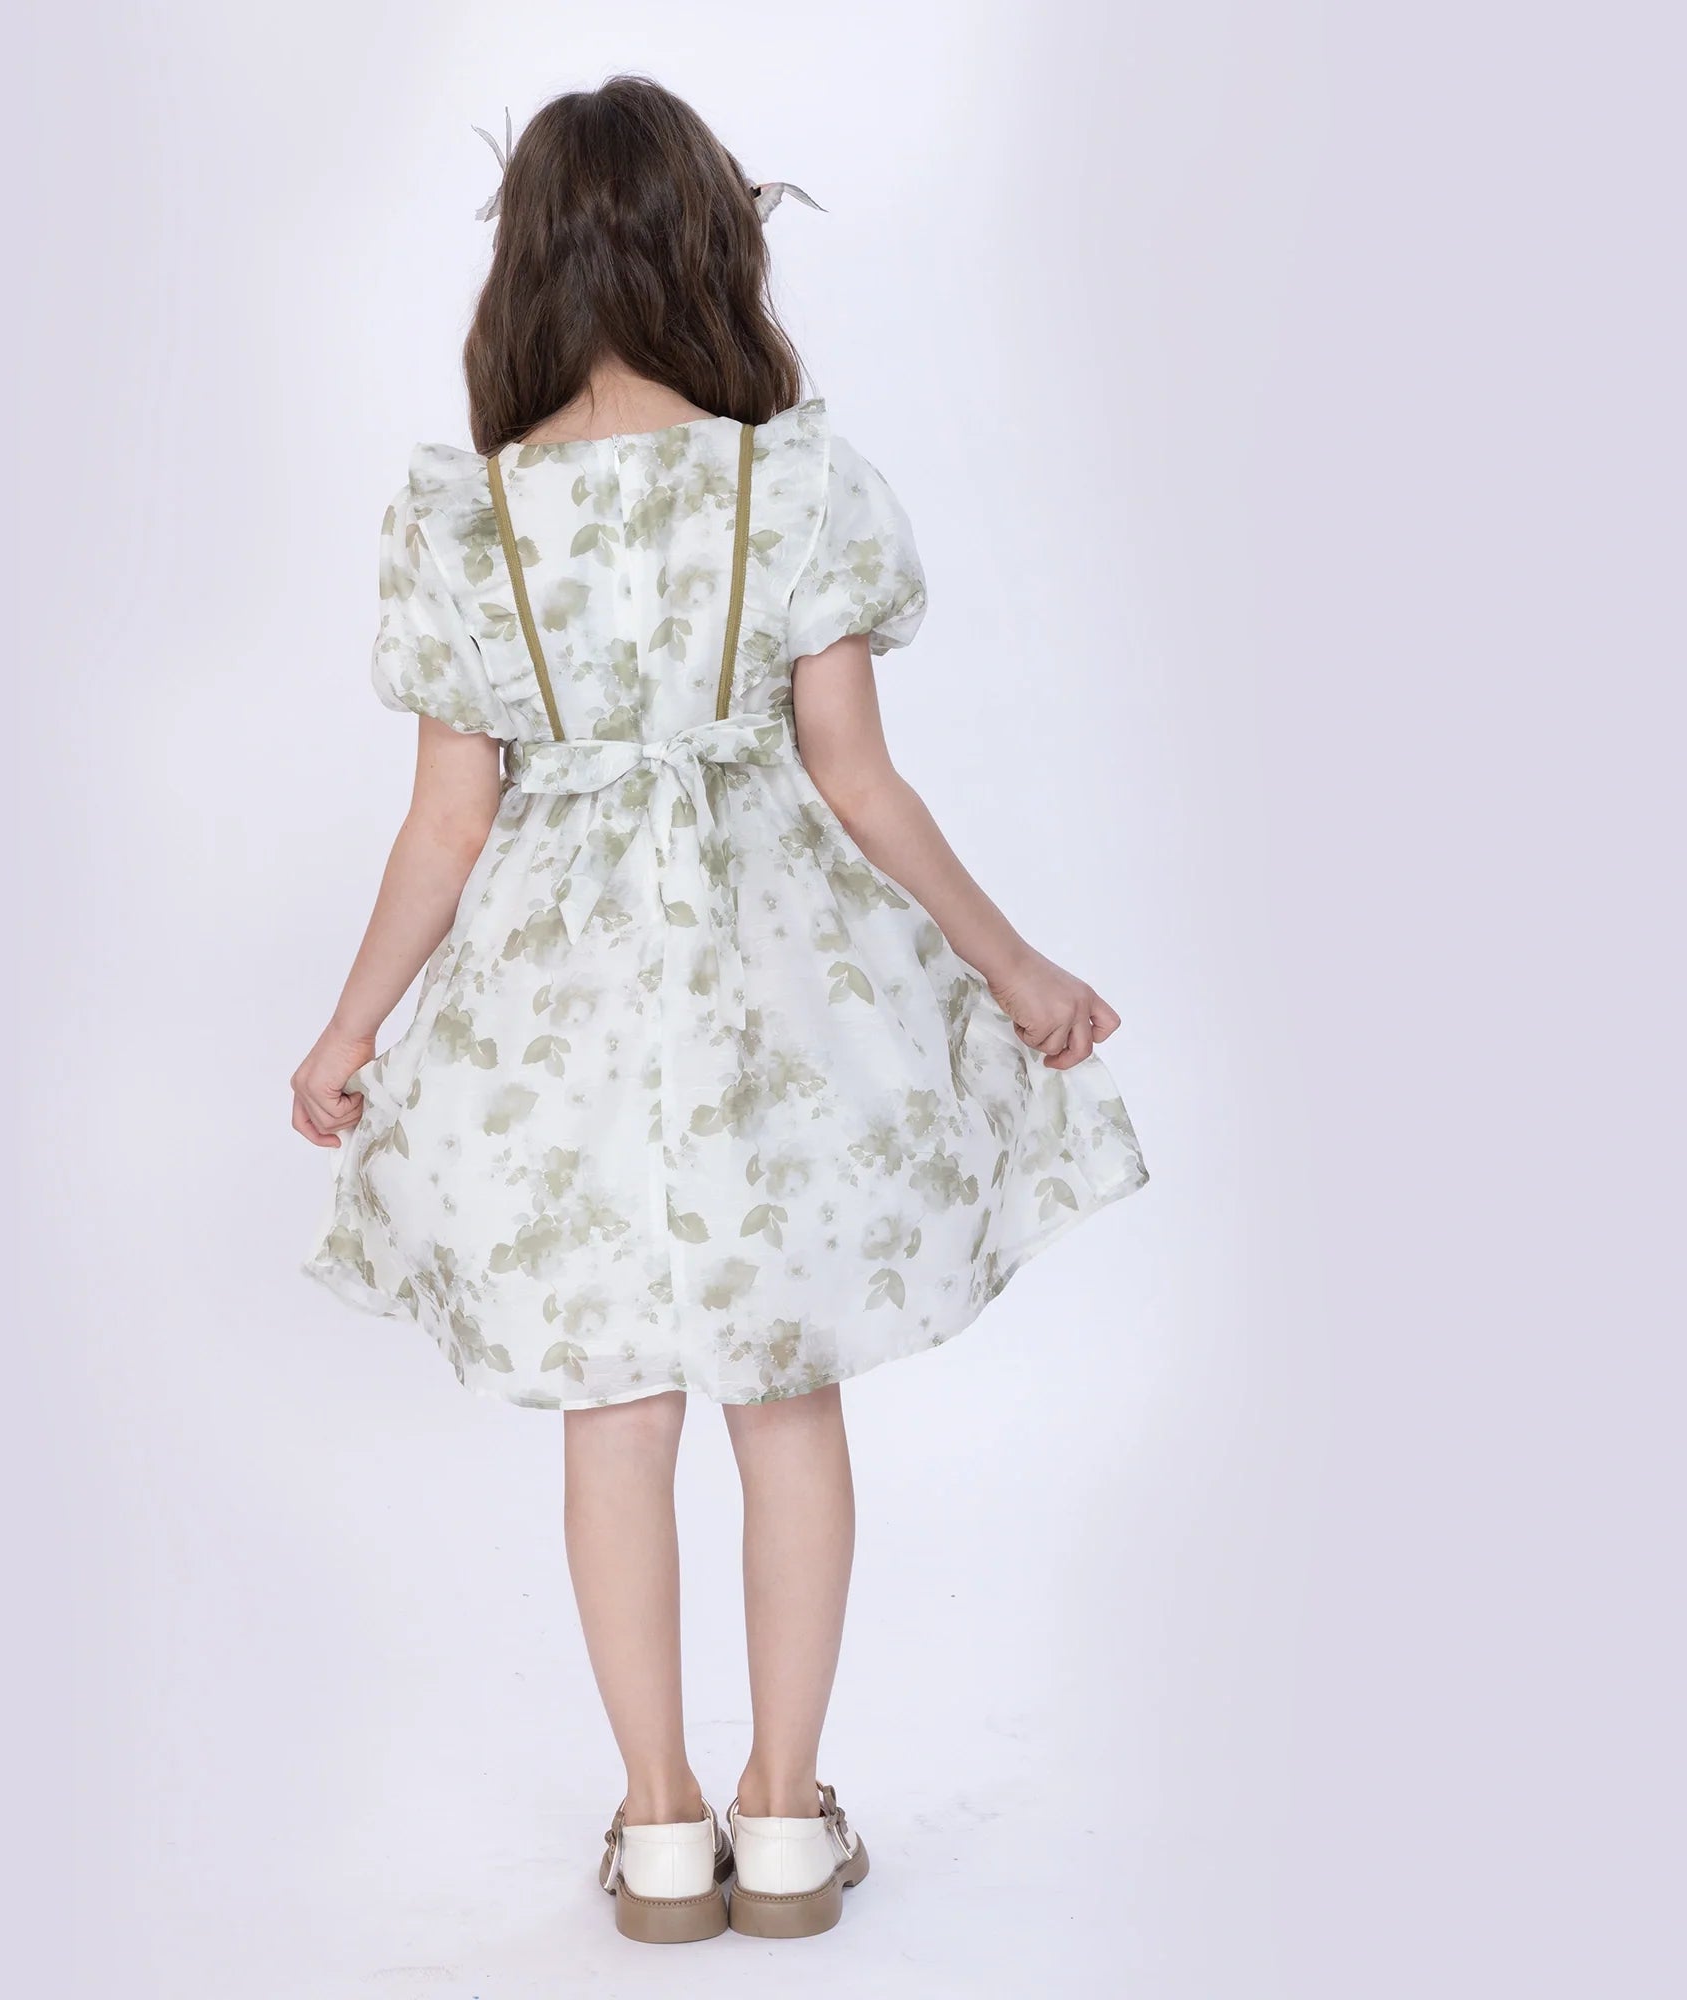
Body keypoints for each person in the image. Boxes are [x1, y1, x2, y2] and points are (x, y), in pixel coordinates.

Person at [292, 76, 1148, 1944]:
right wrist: (1014, 969)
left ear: (526, 270)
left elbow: (448, 825)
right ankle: (784, 1816)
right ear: (710, 250)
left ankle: (660, 1824)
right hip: (775, 993)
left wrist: (351, 1030)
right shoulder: (795, 485)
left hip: (562, 1013)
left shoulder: (470, 522)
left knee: (615, 1404)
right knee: (781, 1385)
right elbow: (858, 779)